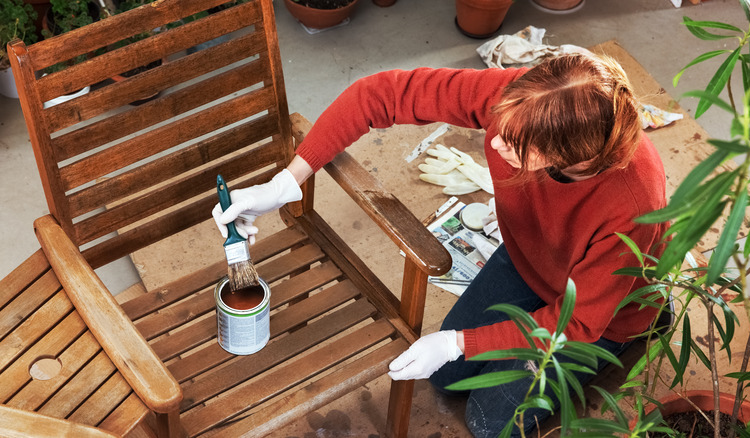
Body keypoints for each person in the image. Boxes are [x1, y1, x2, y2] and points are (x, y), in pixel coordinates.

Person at [212, 52, 668, 437]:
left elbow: (579, 322)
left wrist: (457, 342)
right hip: (531, 260)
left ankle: (643, 327)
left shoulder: (632, 202)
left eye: (513, 146)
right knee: (448, 377)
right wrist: (287, 181)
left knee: (489, 422)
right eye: (500, 127)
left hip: (596, 315)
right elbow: (380, 94)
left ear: (567, 156)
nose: (493, 141)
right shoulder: (527, 103)